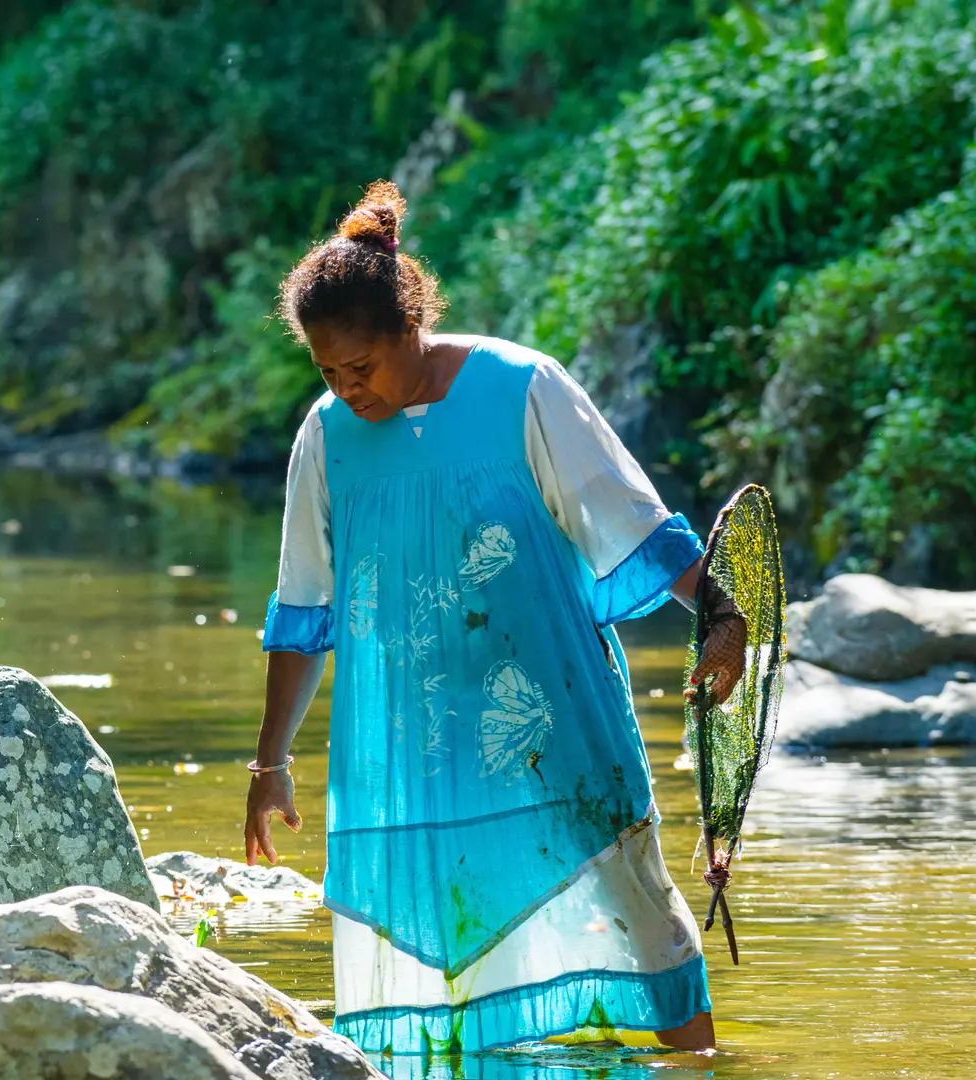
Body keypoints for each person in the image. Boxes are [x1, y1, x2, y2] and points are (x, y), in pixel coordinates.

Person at [242, 181, 745, 1056]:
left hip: (557, 723)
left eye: (361, 366)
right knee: (438, 967)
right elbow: (303, 606)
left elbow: (626, 518)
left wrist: (720, 611)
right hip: (411, 751)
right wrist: (269, 760)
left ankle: (699, 1069)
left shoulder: (524, 389)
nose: (346, 387)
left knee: (644, 920)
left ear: (412, 328)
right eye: (327, 371)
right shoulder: (324, 437)